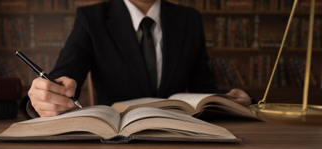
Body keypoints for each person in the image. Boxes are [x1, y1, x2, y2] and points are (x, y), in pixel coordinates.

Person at [20, 0, 252, 118]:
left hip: (180, 140)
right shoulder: (91, 19)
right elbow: (65, 75)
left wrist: (227, 102)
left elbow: (204, 89)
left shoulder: (189, 20)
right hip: (115, 141)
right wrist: (47, 97)